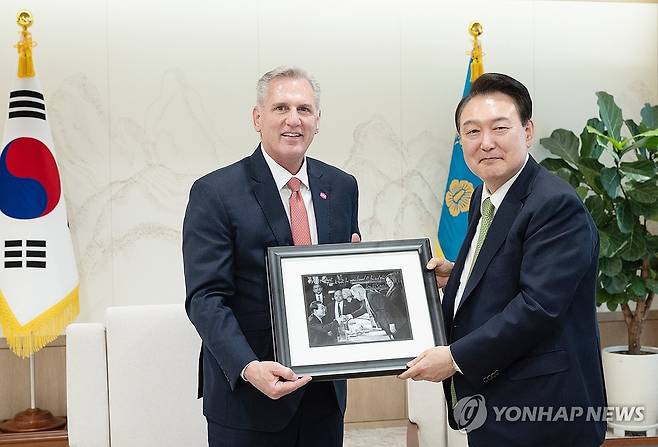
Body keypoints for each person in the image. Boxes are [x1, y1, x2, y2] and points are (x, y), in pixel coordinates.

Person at [399, 73, 606, 447]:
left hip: (543, 410)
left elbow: (538, 307)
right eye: (472, 131)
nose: (486, 143)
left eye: (500, 128)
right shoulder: (485, 196)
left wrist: (455, 358)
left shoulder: (554, 205)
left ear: (527, 132)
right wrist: (459, 274)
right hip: (497, 397)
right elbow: (504, 266)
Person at [183, 66, 360, 447]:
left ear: (317, 120)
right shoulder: (215, 192)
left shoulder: (342, 187)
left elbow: (339, 283)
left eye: (304, 109)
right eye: (280, 108)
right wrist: (248, 368)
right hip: (248, 395)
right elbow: (205, 298)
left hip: (323, 395)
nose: (293, 120)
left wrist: (356, 268)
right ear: (257, 118)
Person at [383, 273, 410, 340]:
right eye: (387, 282)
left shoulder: (397, 290)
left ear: (394, 280)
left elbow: (392, 303)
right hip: (397, 317)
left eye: (389, 281)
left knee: (401, 337)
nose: (387, 283)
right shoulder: (392, 289)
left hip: (400, 318)